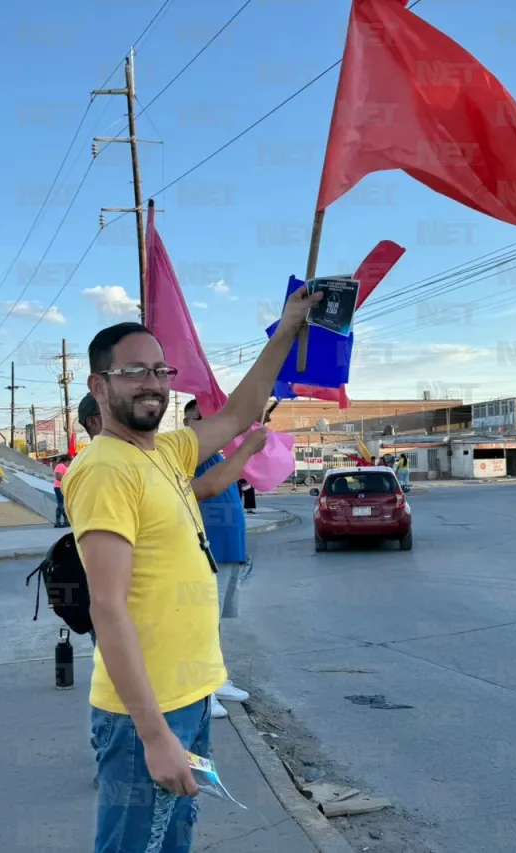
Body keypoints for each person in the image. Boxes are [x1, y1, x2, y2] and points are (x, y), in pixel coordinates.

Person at [62, 284, 320, 853]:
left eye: (159, 369)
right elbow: (107, 608)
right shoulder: (107, 469)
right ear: (98, 386)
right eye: (134, 371)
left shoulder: (164, 452)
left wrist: (289, 327)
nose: (152, 382)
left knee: (170, 839)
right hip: (144, 715)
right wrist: (154, 735)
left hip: (189, 696)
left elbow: (239, 411)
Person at [183, 399, 268, 719]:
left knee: (213, 624)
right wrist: (244, 447)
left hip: (229, 553)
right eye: (202, 417)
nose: (211, 423)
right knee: (201, 623)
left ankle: (215, 680)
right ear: (188, 421)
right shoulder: (192, 455)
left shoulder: (216, 454)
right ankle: (201, 691)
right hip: (206, 553)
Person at [53, 455, 70, 528]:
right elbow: (58, 477)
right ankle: (58, 522)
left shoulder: (66, 467)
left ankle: (66, 521)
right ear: (66, 461)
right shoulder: (60, 466)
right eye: (69, 462)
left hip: (64, 488)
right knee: (61, 504)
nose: (69, 463)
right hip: (58, 487)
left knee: (64, 505)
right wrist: (67, 479)